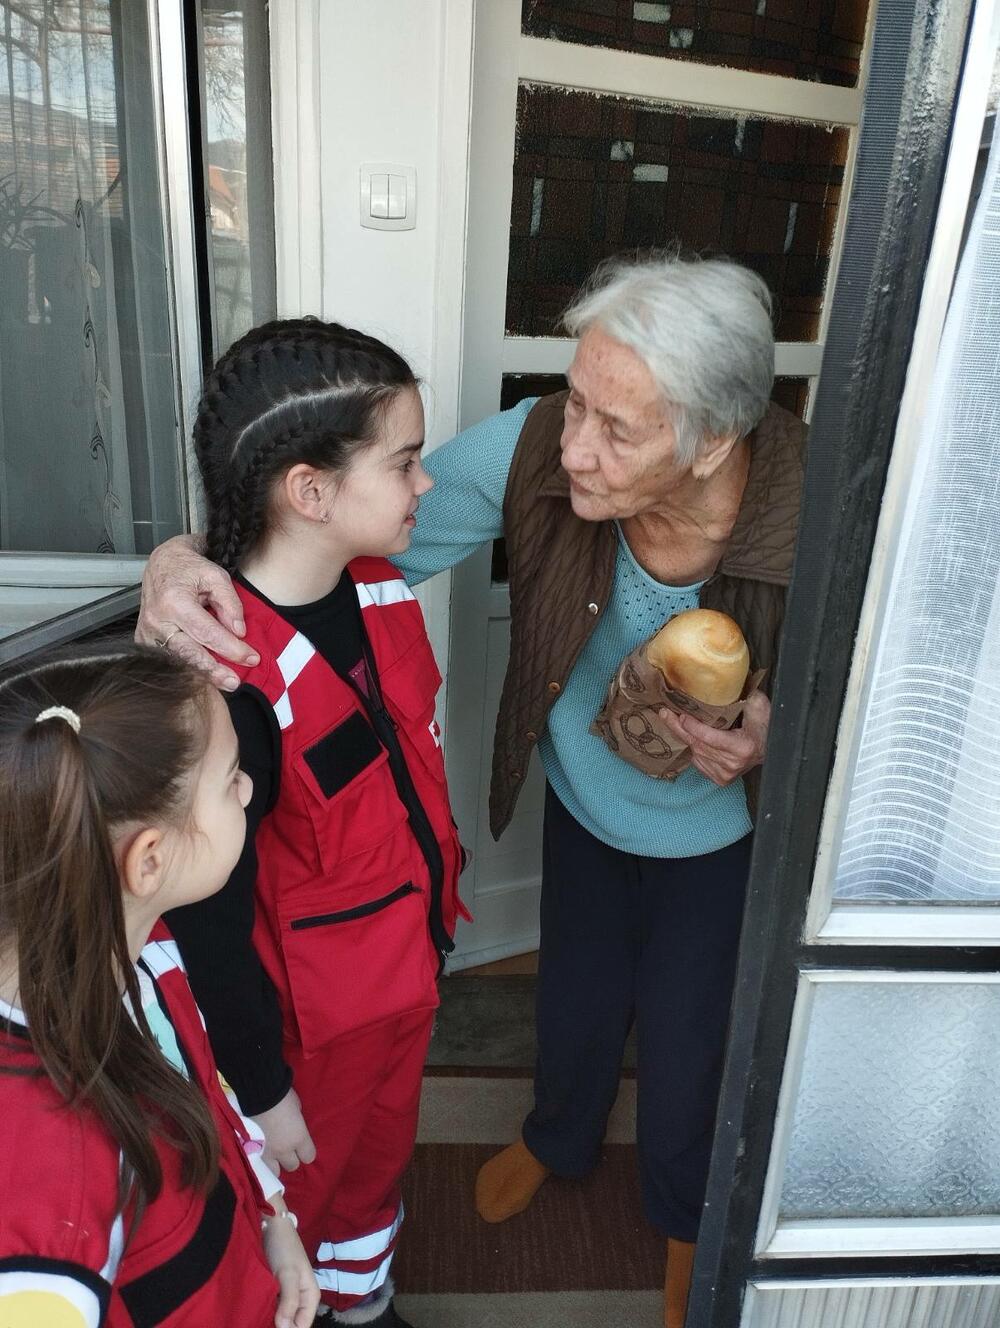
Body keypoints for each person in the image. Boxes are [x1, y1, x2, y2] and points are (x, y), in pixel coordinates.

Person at [136, 253, 806, 1328]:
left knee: (691, 1049)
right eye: (573, 397)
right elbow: (313, 521)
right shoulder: (540, 448)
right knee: (575, 999)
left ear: (713, 440)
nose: (571, 445)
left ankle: (687, 1229)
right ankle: (556, 1133)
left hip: (721, 834)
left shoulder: (822, 512)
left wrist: (787, 737)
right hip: (580, 806)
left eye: (615, 428)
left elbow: (893, 696)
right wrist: (178, 558)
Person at [159, 319, 468, 1327]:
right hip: (305, 1043)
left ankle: (363, 1303)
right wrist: (261, 1084)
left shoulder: (380, 588)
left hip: (402, 988)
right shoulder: (228, 685)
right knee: (294, 1205)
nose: (425, 484)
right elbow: (205, 916)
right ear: (310, 491)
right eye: (406, 461)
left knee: (372, 1186)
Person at [0, 647, 319, 1328]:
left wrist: (272, 1216)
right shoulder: (44, 1181)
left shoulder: (149, 954)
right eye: (231, 779)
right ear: (148, 861)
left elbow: (205, 1091)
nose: (249, 791)